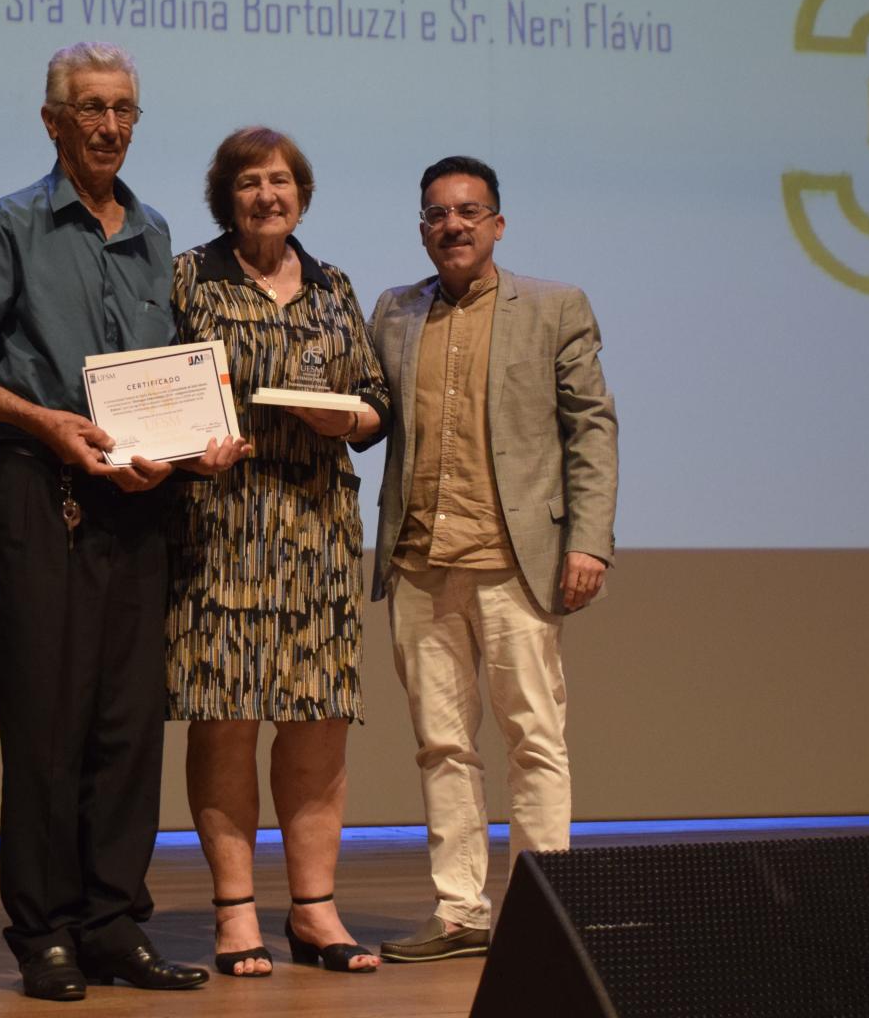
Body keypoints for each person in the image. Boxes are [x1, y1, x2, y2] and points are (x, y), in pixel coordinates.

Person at [0, 42, 210, 1002]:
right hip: (45, 495)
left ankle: (114, 925)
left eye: (123, 108)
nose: (110, 125)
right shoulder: (10, 226)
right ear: (53, 123)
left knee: (129, 729)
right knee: (47, 725)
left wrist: (189, 437)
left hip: (141, 505)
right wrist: (44, 420)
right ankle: (43, 933)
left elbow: (162, 377)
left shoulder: (158, 232)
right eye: (90, 109)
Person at [363, 156, 618, 964]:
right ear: (422, 229)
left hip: (518, 561)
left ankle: (546, 914)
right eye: (437, 214)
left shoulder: (554, 307)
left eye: (469, 211)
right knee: (442, 745)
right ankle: (461, 908)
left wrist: (588, 541)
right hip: (420, 562)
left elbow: (592, 430)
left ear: (498, 224)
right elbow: (372, 419)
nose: (453, 225)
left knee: (534, 740)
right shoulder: (394, 312)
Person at [165, 127, 389, 978]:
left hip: (318, 533)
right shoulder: (189, 275)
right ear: (226, 195)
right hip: (221, 526)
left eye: (283, 180)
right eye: (252, 181)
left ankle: (314, 910)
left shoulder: (332, 284)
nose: (269, 194)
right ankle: (234, 912)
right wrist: (190, 443)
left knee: (318, 723)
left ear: (303, 193)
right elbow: (152, 379)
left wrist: (351, 419)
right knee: (226, 719)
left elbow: (372, 400)